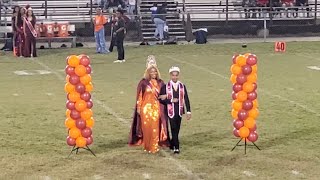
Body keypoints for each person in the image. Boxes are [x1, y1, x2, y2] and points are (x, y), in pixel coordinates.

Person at [129, 56, 169, 153]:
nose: (153, 73)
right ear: (148, 72)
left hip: (157, 108)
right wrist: (138, 108)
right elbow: (140, 96)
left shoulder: (161, 83)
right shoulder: (143, 83)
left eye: (155, 71)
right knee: (147, 129)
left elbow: (165, 95)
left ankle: (154, 147)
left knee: (155, 127)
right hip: (145, 108)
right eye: (151, 71)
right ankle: (147, 146)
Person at [159, 66, 191, 154]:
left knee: (177, 129)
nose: (175, 77)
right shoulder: (165, 87)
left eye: (176, 75)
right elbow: (160, 99)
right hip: (170, 111)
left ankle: (172, 143)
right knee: (173, 128)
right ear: (170, 75)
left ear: (178, 76)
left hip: (179, 111)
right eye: (173, 75)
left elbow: (186, 99)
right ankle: (176, 147)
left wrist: (188, 111)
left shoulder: (182, 86)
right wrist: (170, 100)